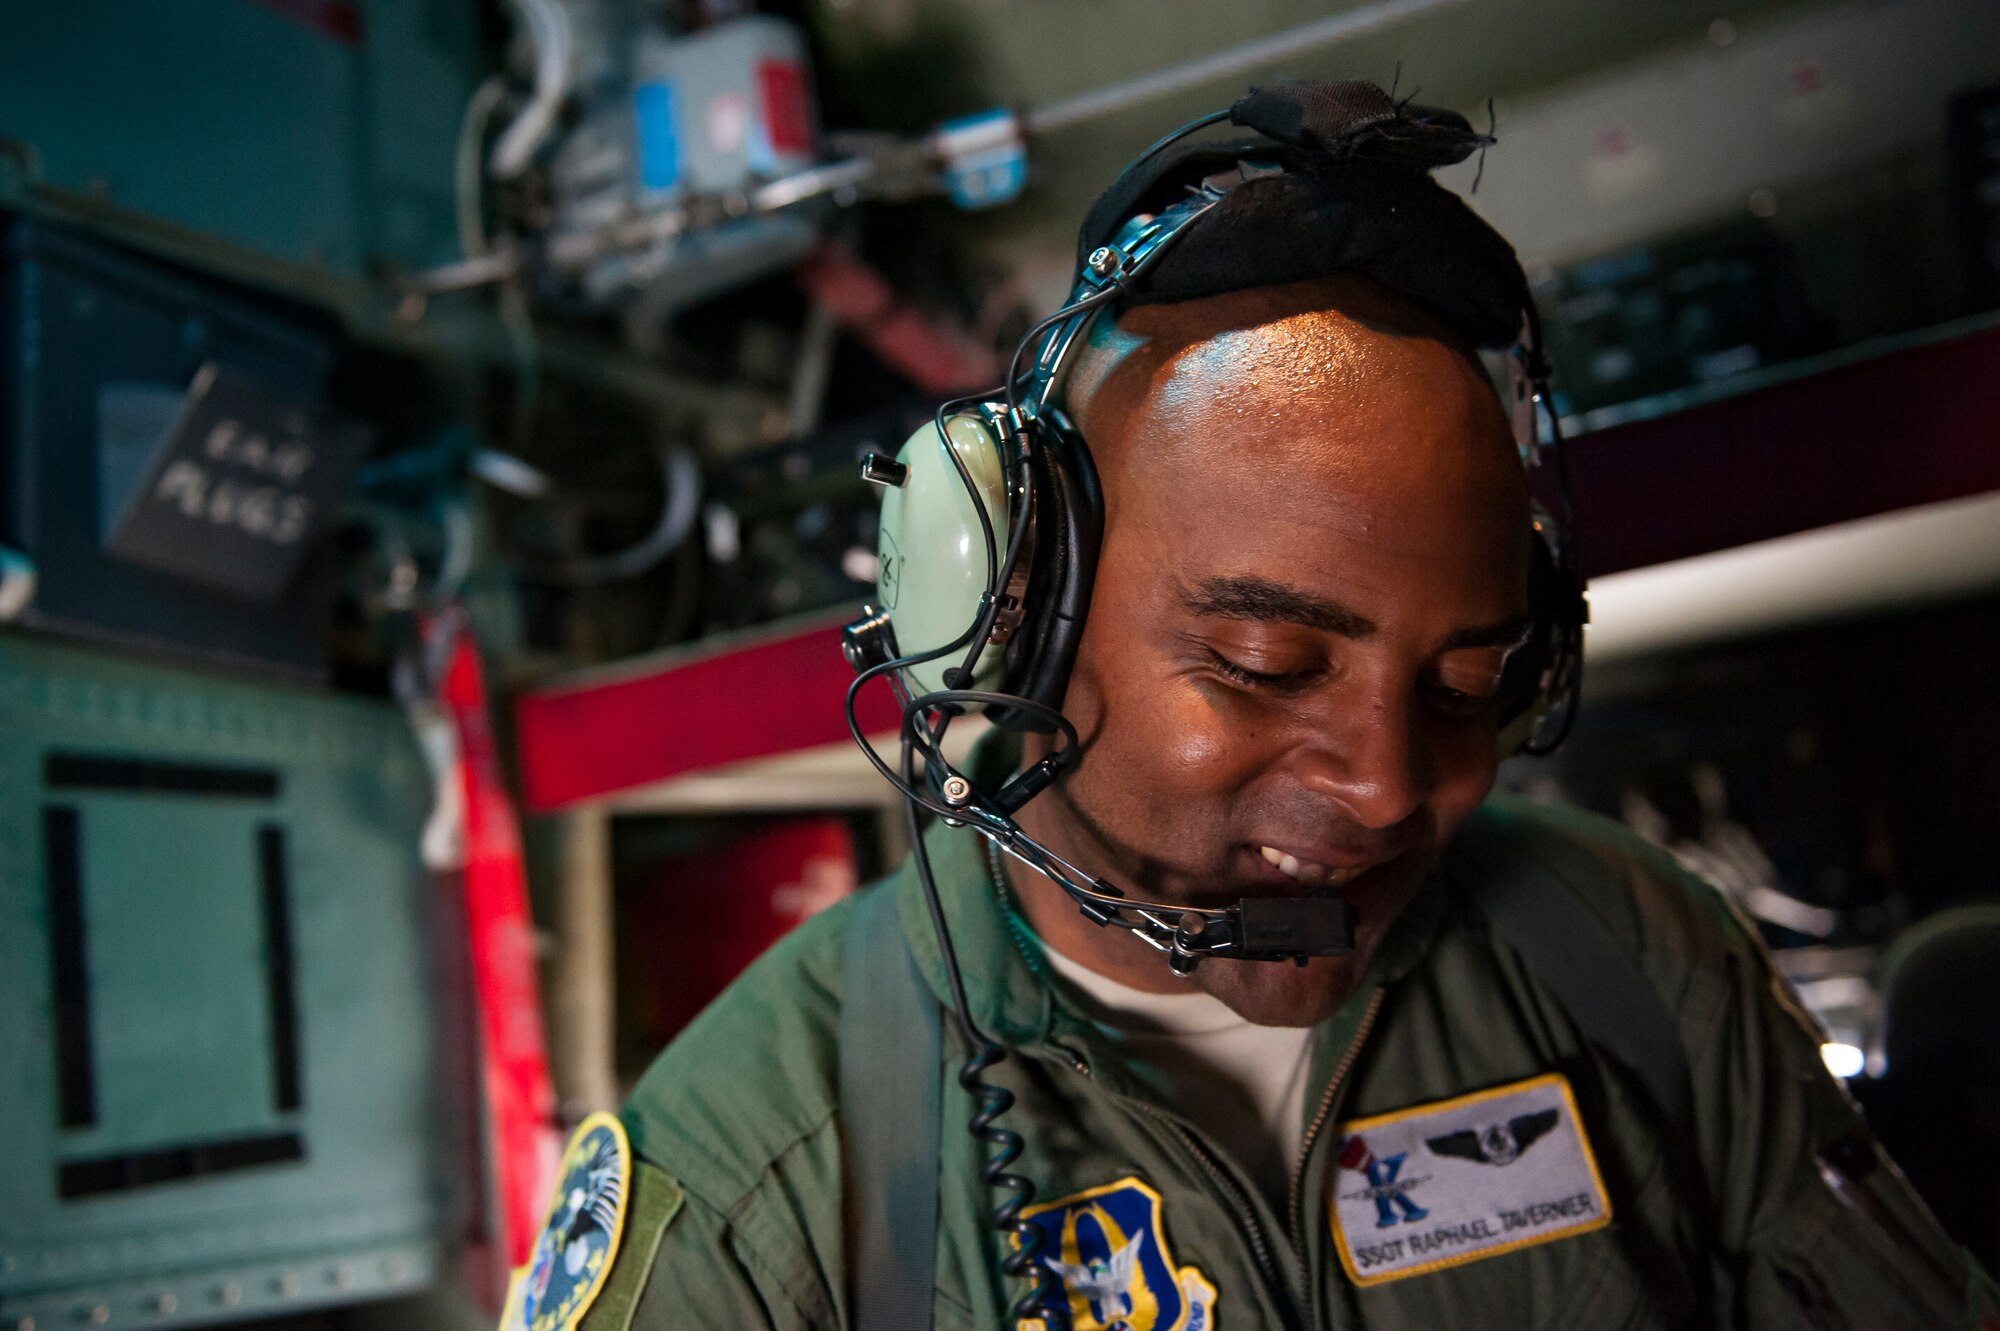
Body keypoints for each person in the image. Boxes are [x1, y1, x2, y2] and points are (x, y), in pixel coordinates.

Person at [505, 83, 1990, 1331]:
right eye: (1267, 666)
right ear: (1010, 612)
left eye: (1468, 682)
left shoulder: (1635, 959)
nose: (1388, 786)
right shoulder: (758, 1177)